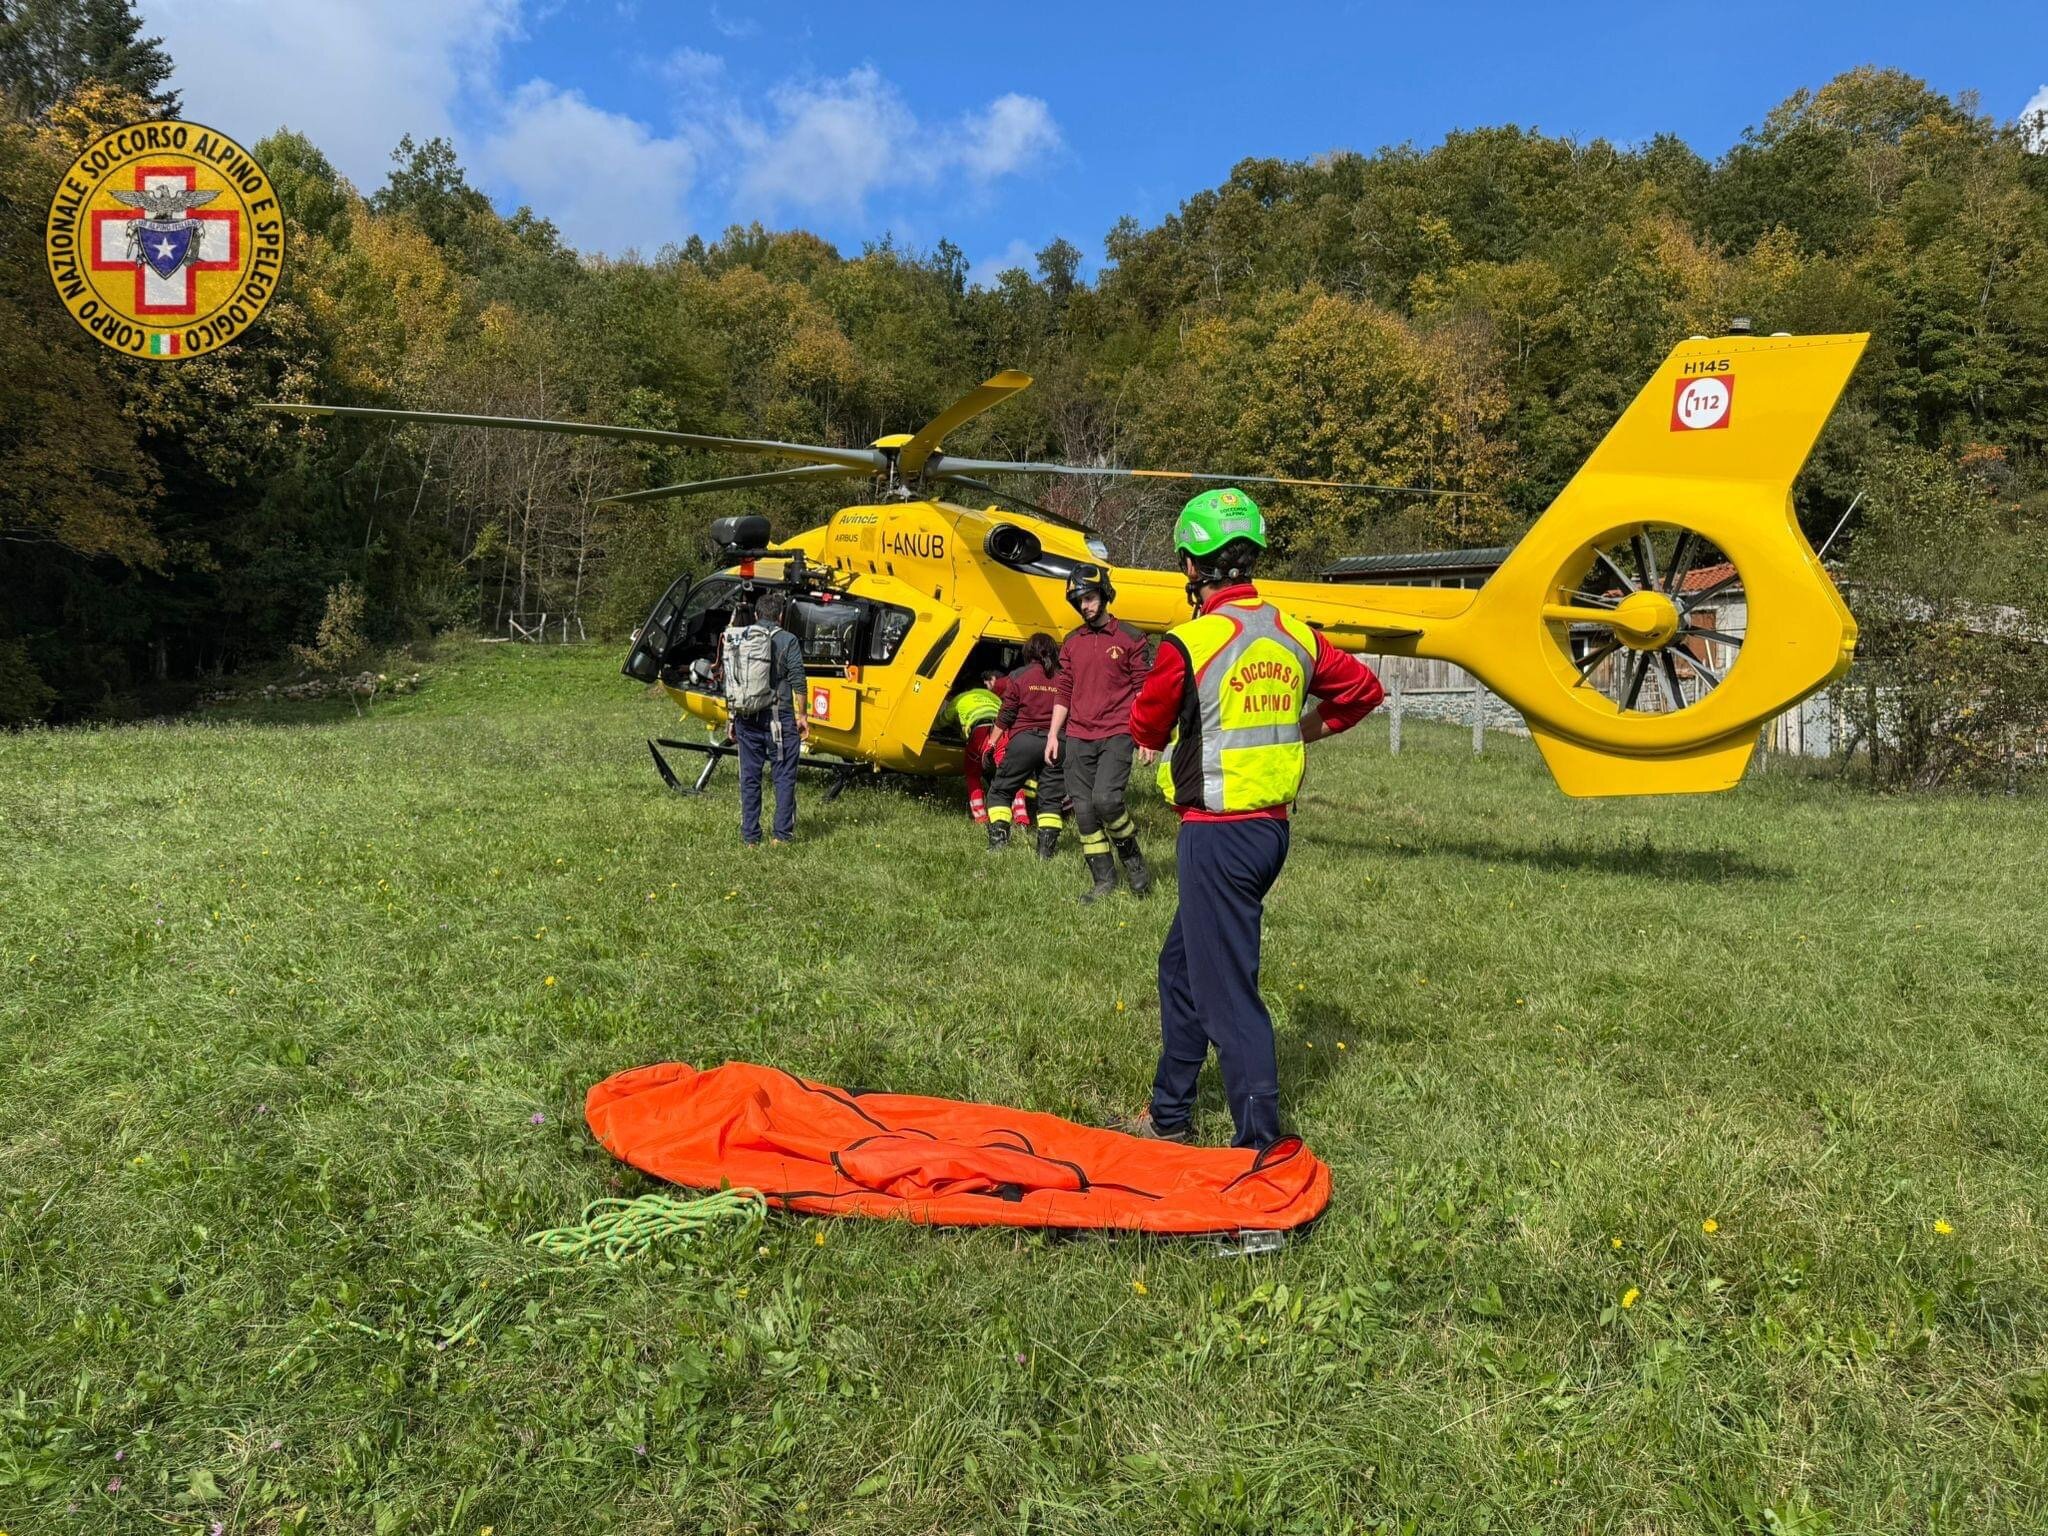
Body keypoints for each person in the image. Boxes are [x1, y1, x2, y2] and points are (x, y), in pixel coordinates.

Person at [1118, 489, 1385, 1148]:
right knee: (1181, 970)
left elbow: (1147, 721)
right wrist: (1303, 731)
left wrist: (1153, 740)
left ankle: (1261, 1146)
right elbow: (1364, 692)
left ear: (1190, 566)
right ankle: (1169, 1114)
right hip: (1268, 833)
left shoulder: (1191, 643)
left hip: (1217, 837)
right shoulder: (1294, 633)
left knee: (1226, 995)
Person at [1047, 567, 1154, 903]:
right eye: (1079, 601)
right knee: (1084, 810)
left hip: (1117, 733)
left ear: (1105, 595)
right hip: (1078, 736)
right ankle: (1103, 881)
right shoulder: (1071, 642)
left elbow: (1143, 690)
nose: (1085, 606)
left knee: (1106, 800)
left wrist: (1148, 737)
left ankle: (1133, 860)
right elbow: (1064, 691)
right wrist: (1053, 735)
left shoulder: (1130, 638)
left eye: (1090, 598)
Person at [725, 588, 808, 846]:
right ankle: (781, 836)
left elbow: (732, 680)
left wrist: (731, 718)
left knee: (749, 777)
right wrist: (802, 715)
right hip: (779, 719)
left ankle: (750, 838)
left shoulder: (742, 639)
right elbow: (799, 681)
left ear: (757, 614)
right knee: (783, 776)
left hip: (746, 716)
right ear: (780, 616)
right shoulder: (788, 640)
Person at [985, 633, 1066, 856]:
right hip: (1057, 744)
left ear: (1028, 652)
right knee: (1050, 798)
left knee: (1001, 790)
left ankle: (998, 844)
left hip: (1024, 741)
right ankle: (1045, 853)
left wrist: (991, 742)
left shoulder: (1019, 675)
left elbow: (1007, 713)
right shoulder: (1064, 677)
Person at [940, 669, 1029, 826]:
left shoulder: (961, 698)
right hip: (1000, 733)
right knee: (1010, 775)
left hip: (979, 734)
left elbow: (943, 721)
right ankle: (1021, 818)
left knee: (973, 775)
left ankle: (981, 817)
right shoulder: (994, 696)